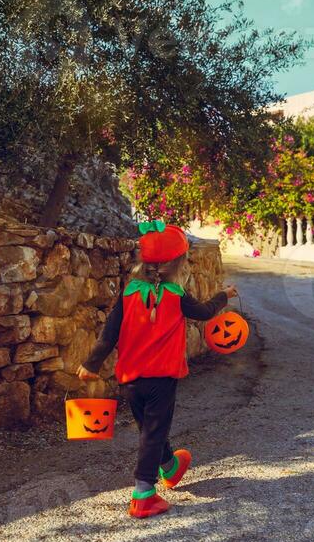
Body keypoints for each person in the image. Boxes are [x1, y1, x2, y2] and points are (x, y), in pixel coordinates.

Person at [76, 220, 238, 519]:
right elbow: (203, 313)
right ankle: (143, 494)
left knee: (150, 428)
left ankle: (170, 466)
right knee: (153, 430)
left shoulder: (128, 294)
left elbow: (109, 334)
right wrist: (223, 296)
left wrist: (91, 364)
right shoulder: (176, 295)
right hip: (161, 377)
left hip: (130, 377)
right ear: (177, 263)